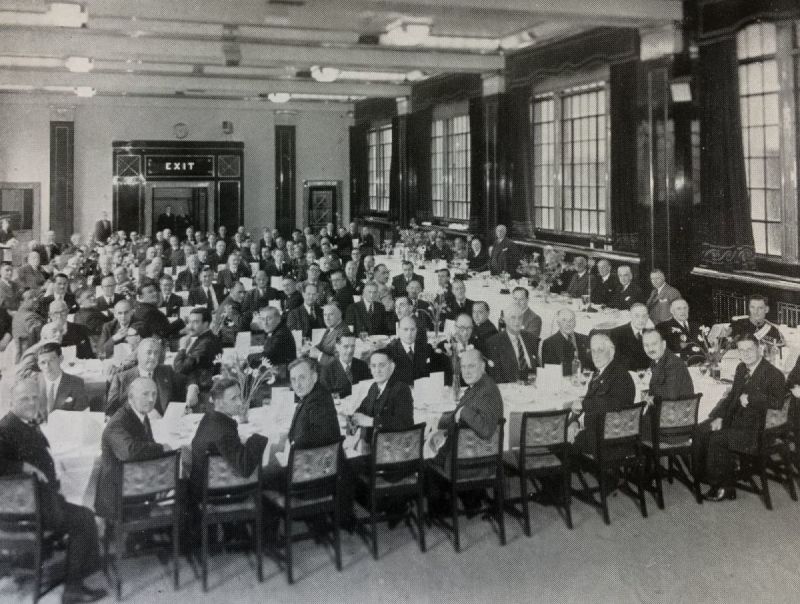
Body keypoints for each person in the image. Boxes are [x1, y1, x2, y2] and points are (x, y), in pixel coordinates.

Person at [0, 378, 107, 603]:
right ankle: (73, 589)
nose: (31, 403)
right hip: (29, 510)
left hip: (35, 502)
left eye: (34, 397)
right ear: (11, 402)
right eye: (24, 399)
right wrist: (21, 466)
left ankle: (79, 573)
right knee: (84, 519)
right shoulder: (6, 427)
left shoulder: (23, 423)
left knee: (82, 513)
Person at [695, 335, 785, 502]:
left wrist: (751, 398)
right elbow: (731, 398)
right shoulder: (741, 368)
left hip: (756, 432)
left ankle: (722, 486)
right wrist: (719, 417)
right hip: (736, 421)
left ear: (759, 349)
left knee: (717, 439)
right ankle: (707, 476)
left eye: (750, 349)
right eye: (742, 350)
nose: (746, 353)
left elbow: (778, 402)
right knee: (701, 429)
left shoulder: (773, 374)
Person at [95, 376, 172, 518]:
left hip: (135, 486)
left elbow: (147, 447)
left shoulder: (140, 413)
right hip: (118, 498)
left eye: (154, 394)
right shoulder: (118, 422)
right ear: (130, 397)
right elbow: (129, 452)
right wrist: (161, 448)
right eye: (145, 394)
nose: (151, 399)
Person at [189, 377, 269, 497]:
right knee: (270, 475)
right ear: (219, 403)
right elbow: (245, 468)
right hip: (218, 494)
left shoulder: (209, 418)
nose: (240, 402)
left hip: (203, 486)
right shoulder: (224, 431)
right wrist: (257, 438)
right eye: (234, 398)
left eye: (239, 396)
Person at [571, 334, 636, 454]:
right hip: (596, 433)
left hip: (607, 439)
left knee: (555, 440)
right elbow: (588, 399)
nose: (595, 355)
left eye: (600, 350)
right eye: (593, 351)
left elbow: (615, 403)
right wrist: (574, 422)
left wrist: (584, 405)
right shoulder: (600, 372)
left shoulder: (620, 374)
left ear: (611, 352)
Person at [106, 337, 197, 416]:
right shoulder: (121, 379)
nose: (153, 357)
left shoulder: (167, 371)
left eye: (156, 353)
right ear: (138, 355)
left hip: (163, 427)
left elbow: (189, 377)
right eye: (149, 352)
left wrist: (193, 386)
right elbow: (110, 411)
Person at [351, 350, 414, 443]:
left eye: (382, 365)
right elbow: (363, 409)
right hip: (373, 443)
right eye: (373, 366)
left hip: (392, 446)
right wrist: (353, 420)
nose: (377, 370)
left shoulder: (401, 389)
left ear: (392, 367)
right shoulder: (374, 387)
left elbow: (404, 422)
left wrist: (371, 421)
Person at [286, 357, 341, 449]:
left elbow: (307, 441)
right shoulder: (314, 394)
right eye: (293, 379)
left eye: (302, 378)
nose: (297, 384)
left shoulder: (317, 402)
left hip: (314, 460)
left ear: (314, 377)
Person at [173, 307, 223, 407]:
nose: (190, 326)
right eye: (189, 322)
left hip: (200, 392)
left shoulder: (206, 343)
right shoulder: (207, 338)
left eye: (195, 322)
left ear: (206, 324)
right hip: (200, 385)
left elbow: (180, 368)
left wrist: (182, 347)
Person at [485, 307, 539, 384]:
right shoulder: (494, 342)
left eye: (520, 318)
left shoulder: (531, 338)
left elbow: (539, 365)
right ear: (505, 320)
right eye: (513, 318)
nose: (517, 321)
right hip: (512, 387)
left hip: (534, 384)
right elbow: (495, 376)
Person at [641, 329, 694, 403]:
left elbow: (670, 396)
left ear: (663, 344)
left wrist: (649, 396)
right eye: (646, 345)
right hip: (666, 408)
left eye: (654, 344)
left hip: (675, 410)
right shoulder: (656, 360)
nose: (650, 349)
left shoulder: (674, 364)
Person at [35, 342, 89, 412]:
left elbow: (83, 415)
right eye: (43, 362)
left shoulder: (76, 383)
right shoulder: (32, 383)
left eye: (51, 360)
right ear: (38, 365)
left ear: (61, 359)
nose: (47, 366)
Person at [541, 308, 593, 376]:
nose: (568, 324)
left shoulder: (585, 339)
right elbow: (550, 372)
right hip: (562, 382)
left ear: (575, 323)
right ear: (558, 323)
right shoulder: (549, 343)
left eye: (571, 320)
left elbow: (592, 366)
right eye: (564, 320)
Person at [384, 316, 433, 385]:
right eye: (405, 329)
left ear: (417, 330)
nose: (409, 334)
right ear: (398, 331)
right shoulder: (390, 351)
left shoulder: (425, 348)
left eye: (413, 329)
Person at [319, 333, 370, 397]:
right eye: (346, 346)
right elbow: (324, 397)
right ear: (337, 347)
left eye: (352, 346)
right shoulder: (327, 370)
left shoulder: (362, 366)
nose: (350, 350)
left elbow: (370, 389)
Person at [608, 303, 651, 371]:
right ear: (630, 316)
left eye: (644, 316)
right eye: (637, 316)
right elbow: (617, 361)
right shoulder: (617, 333)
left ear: (648, 317)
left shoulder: (651, 334)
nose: (641, 320)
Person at [259, 306, 296, 380]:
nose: (265, 323)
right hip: (279, 370)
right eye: (263, 319)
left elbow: (267, 355)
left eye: (269, 319)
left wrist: (248, 358)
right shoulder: (276, 329)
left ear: (278, 319)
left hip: (284, 374)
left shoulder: (281, 334)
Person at [212, 281, 251, 347]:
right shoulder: (230, 305)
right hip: (227, 342)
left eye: (244, 292)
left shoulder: (230, 300)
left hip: (227, 338)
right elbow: (241, 324)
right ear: (232, 291)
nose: (243, 295)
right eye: (239, 292)